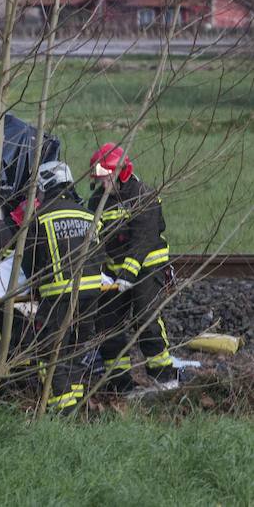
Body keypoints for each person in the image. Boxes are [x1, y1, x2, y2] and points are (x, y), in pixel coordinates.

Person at [88, 143, 174, 392]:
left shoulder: (143, 195)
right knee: (107, 325)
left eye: (107, 180)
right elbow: (95, 240)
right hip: (115, 273)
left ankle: (163, 377)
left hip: (147, 267)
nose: (104, 186)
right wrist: (100, 271)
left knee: (146, 318)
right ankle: (119, 382)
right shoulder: (98, 201)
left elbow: (142, 240)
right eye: (100, 181)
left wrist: (127, 274)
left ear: (121, 172)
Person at [18, 161, 103, 413]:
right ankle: (76, 405)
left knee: (51, 352)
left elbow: (30, 263)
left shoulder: (41, 217)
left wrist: (35, 288)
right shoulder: (87, 214)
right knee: (76, 350)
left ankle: (63, 412)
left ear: (45, 185)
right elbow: (101, 252)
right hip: (91, 294)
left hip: (58, 297)